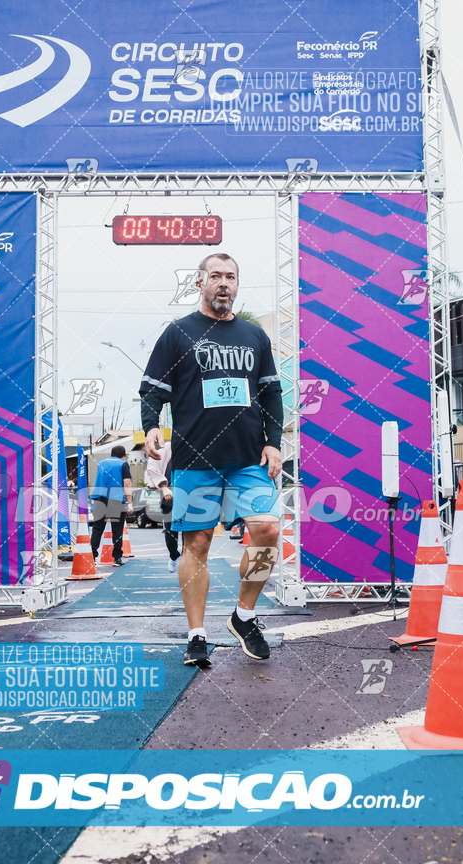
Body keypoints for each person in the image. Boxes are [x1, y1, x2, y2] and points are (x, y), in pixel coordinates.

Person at [140, 253, 283, 666]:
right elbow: (152, 390)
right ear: (200, 283)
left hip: (246, 458)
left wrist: (273, 441)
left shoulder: (254, 336)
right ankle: (197, 635)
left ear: (237, 285)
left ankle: (244, 615)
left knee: (268, 531)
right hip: (194, 458)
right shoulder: (178, 333)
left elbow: (271, 393)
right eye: (215, 276)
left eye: (231, 277)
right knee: (198, 544)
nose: (224, 283)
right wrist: (152, 426)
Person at [89, 445, 133, 568]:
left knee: (97, 529)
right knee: (117, 530)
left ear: (111, 453)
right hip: (116, 499)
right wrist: (129, 503)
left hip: (99, 498)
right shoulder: (123, 464)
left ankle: (92, 556)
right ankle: (117, 558)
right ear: (123, 455)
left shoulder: (101, 463)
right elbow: (127, 482)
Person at [145, 441, 181, 574]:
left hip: (190, 495)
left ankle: (188, 563)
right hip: (170, 497)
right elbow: (153, 467)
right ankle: (174, 555)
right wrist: (164, 487)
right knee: (171, 533)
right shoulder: (167, 450)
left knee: (192, 534)